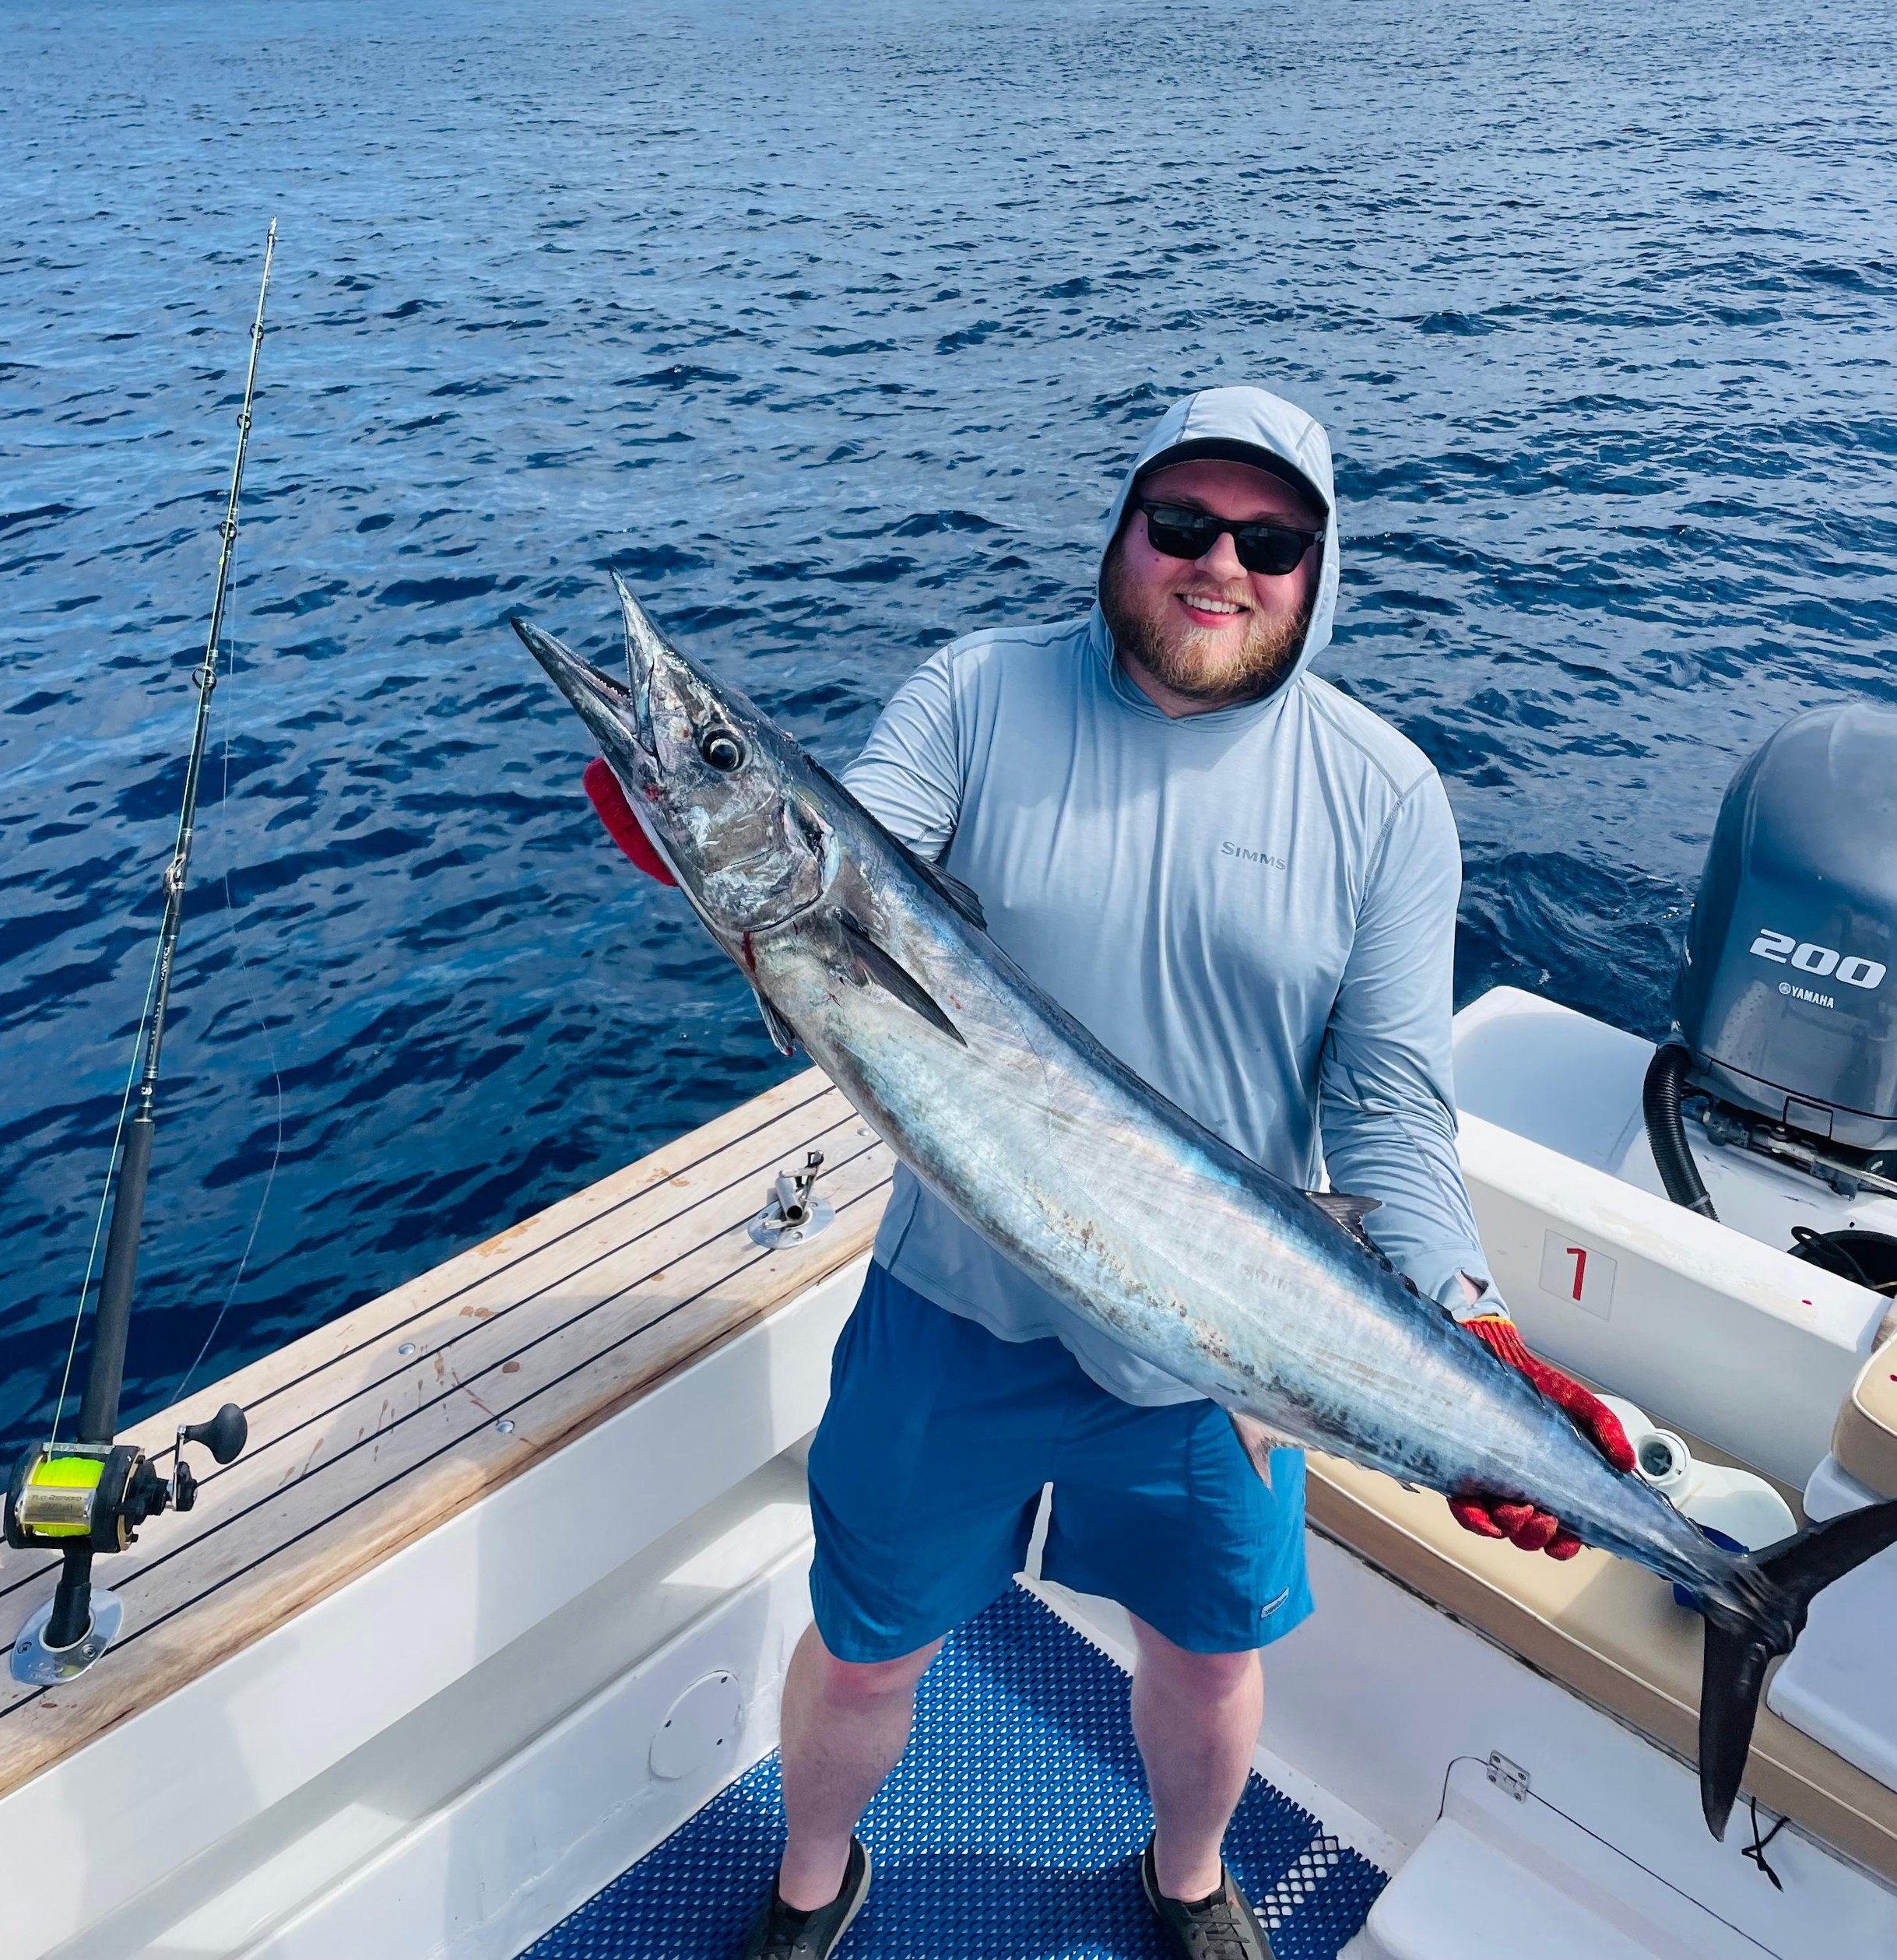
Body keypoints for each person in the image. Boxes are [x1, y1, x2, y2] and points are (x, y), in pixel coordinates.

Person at [588, 385, 1634, 1960]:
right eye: (1183, 522)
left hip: (1227, 1341)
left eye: (1269, 541)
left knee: (1208, 1663)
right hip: (953, 1312)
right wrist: (696, 826)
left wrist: (1469, 1318)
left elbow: (1389, 1105)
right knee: (866, 1650)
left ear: (1318, 568)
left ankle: (1189, 1878)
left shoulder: (1383, 795)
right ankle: (811, 1882)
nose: (1220, 563)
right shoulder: (975, 694)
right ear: (1123, 528)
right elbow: (847, 865)